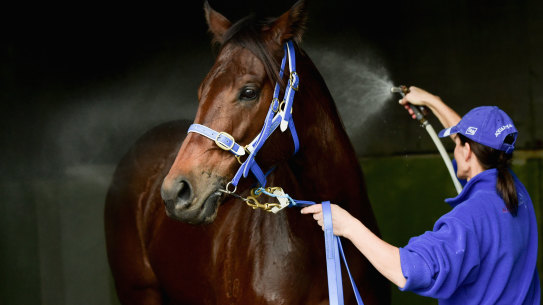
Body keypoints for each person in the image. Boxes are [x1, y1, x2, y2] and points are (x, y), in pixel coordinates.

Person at [301, 86, 540, 304]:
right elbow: (476, 145)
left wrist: (346, 224)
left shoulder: (468, 220)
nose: (455, 145)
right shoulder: (515, 192)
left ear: (467, 152)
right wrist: (432, 101)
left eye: (458, 143)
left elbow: (407, 271)